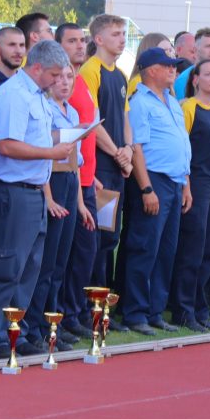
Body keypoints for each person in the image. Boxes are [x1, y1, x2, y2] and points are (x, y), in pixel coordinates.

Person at [0, 39, 75, 358]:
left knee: (29, 268)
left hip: (33, 190)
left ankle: (13, 330)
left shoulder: (37, 96)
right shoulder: (15, 96)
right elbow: (7, 145)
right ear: (37, 68)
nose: (58, 80)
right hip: (12, 190)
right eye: (53, 73)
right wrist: (51, 151)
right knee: (7, 265)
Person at [122, 47, 190, 333]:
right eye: (168, 66)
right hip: (155, 179)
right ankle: (135, 312)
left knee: (166, 250)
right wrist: (146, 187)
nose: (174, 70)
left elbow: (182, 144)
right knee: (145, 247)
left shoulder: (171, 100)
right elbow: (137, 147)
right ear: (151, 70)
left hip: (174, 181)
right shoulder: (141, 102)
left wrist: (186, 184)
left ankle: (154, 310)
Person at [25, 64, 89, 349]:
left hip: (69, 185)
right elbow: (46, 161)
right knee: (46, 264)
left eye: (69, 77)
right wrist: (49, 198)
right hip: (51, 185)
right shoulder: (45, 110)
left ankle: (53, 323)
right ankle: (36, 326)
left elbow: (73, 164)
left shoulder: (72, 113)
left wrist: (81, 203)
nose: (65, 82)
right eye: (59, 77)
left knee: (61, 263)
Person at [172, 58, 210, 332]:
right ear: (195, 79)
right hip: (197, 185)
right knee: (192, 250)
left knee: (209, 251)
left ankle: (198, 306)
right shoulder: (188, 108)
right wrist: (187, 185)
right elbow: (183, 150)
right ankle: (182, 310)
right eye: (208, 74)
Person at [80, 14, 134, 285]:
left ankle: (102, 300)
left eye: (124, 33)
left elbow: (124, 118)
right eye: (115, 34)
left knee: (110, 235)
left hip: (116, 165)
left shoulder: (121, 75)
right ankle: (90, 301)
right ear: (98, 39)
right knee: (98, 235)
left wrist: (128, 151)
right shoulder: (91, 70)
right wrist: (117, 153)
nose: (122, 39)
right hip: (100, 165)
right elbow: (91, 122)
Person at [56, 23, 100, 339]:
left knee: (86, 251)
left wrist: (92, 177)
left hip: (84, 178)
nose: (79, 45)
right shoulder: (59, 89)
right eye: (72, 41)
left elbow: (89, 131)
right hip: (66, 182)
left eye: (81, 40)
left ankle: (74, 311)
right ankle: (64, 314)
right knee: (66, 255)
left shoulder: (81, 82)